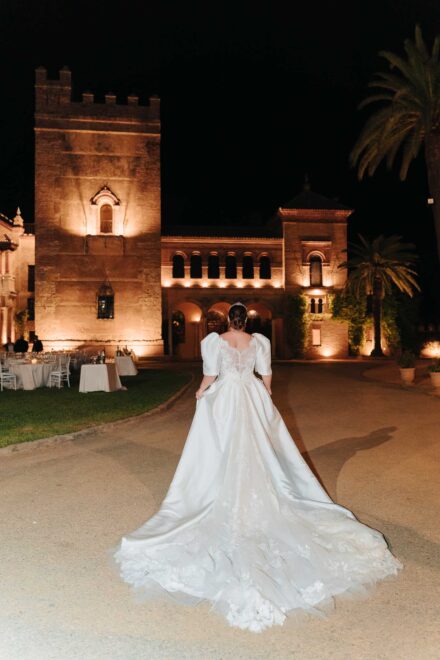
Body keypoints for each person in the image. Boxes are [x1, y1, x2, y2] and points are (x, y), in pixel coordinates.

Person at [113, 302, 401, 632]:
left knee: (221, 448)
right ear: (246, 320)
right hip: (249, 394)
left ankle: (219, 490)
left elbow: (211, 374)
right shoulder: (259, 342)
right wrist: (264, 398)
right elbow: (265, 376)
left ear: (226, 321)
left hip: (226, 397)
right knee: (259, 448)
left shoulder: (214, 342)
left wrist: (201, 391)